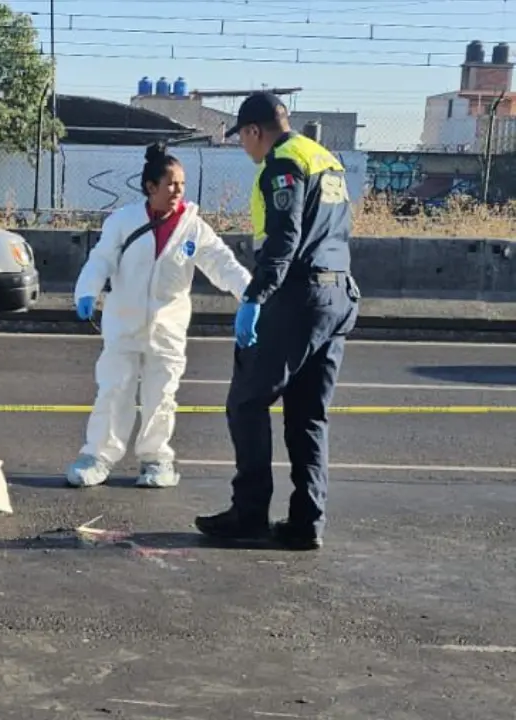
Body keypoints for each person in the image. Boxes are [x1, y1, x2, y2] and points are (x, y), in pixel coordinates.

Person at [195, 92, 361, 551]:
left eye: (242, 139)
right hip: (339, 292)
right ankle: (307, 522)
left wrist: (255, 295)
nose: (244, 149)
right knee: (308, 416)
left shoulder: (281, 164)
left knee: (246, 403)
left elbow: (284, 238)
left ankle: (249, 513)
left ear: (254, 131)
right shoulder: (325, 158)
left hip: (298, 296)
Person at [66, 143, 251, 489]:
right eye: (171, 184)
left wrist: (253, 296)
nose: (178, 190)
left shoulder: (193, 228)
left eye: (181, 183)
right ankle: (97, 456)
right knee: (113, 391)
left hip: (168, 329)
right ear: (151, 187)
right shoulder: (123, 221)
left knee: (161, 396)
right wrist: (87, 291)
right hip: (123, 324)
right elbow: (101, 259)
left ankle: (156, 459)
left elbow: (223, 264)